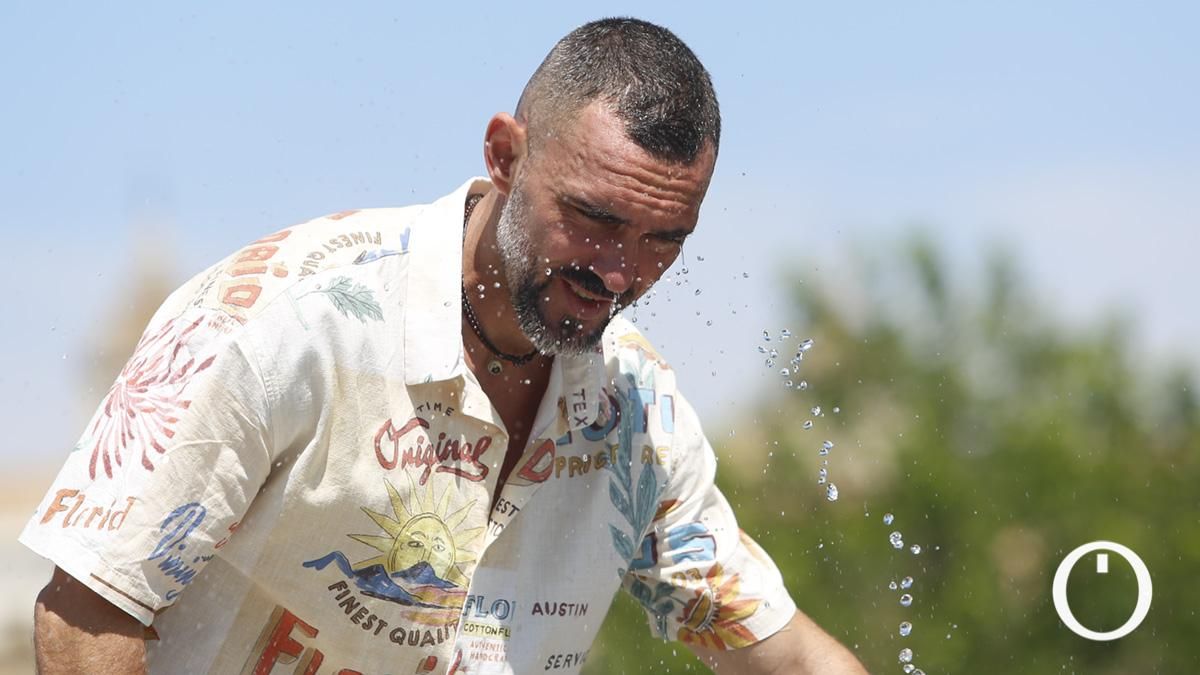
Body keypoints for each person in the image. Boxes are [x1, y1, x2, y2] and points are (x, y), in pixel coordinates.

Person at [25, 17, 867, 674]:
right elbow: (87, 609)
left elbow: (786, 656)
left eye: (663, 240)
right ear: (505, 155)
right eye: (594, 218)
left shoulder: (635, 413)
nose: (619, 272)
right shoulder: (285, 322)